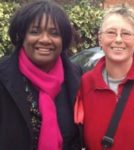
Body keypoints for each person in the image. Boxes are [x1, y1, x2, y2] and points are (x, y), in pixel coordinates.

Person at [0, 0, 82, 150]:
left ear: (63, 40)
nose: (44, 39)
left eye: (54, 33)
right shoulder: (3, 75)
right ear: (21, 35)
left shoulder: (77, 78)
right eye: (35, 31)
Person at [74, 4, 134, 150]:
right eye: (111, 32)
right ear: (100, 39)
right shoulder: (86, 83)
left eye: (126, 34)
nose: (118, 40)